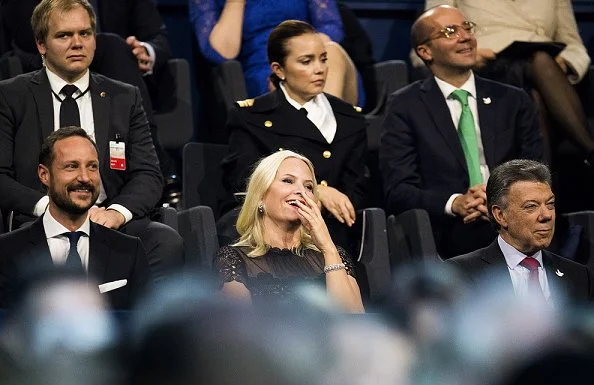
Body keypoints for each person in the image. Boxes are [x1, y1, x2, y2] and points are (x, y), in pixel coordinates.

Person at [0, 0, 184, 277]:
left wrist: (115, 213)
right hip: (37, 221)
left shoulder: (124, 96)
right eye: (64, 35)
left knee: (164, 241)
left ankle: (149, 321)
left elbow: (147, 173)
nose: (77, 43)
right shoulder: (11, 96)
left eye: (85, 34)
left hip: (106, 219)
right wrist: (46, 208)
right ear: (41, 44)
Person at [379, 5, 543, 259]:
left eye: (467, 27)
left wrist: (500, 198)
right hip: (452, 230)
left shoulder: (512, 99)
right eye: (449, 31)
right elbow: (399, 190)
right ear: (425, 51)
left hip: (516, 218)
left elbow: (537, 169)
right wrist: (455, 203)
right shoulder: (405, 105)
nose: (465, 36)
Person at [220, 20, 367, 249]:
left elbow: (357, 187)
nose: (319, 69)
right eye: (306, 61)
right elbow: (245, 183)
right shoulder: (253, 116)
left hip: (335, 231)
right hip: (272, 232)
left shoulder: (350, 118)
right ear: (279, 69)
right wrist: (317, 192)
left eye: (323, 59)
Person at [416, 0, 594, 168]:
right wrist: (469, 56)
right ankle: (588, 150)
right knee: (539, 70)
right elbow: (429, 33)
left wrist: (563, 63)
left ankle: (537, 191)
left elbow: (574, 44)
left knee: (537, 86)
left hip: (542, 70)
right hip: (486, 65)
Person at [0, 127, 149, 310]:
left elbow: (146, 328)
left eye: (92, 166)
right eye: (72, 166)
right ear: (44, 175)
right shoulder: (6, 252)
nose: (85, 177)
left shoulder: (129, 251)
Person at [214, 150, 364, 313]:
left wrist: (328, 249)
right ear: (260, 196)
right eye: (288, 181)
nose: (301, 191)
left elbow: (353, 322)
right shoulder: (234, 259)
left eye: (308, 186)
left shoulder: (335, 256)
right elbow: (238, 331)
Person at [446, 159, 593, 303]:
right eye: (531, 206)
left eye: (550, 204)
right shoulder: (460, 274)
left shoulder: (579, 276)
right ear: (500, 215)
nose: (547, 215)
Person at [189, 0, 362, 105]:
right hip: (263, 73)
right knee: (290, 78)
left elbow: (331, 26)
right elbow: (222, 53)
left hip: (311, 55)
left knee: (329, 52)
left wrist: (304, 50)